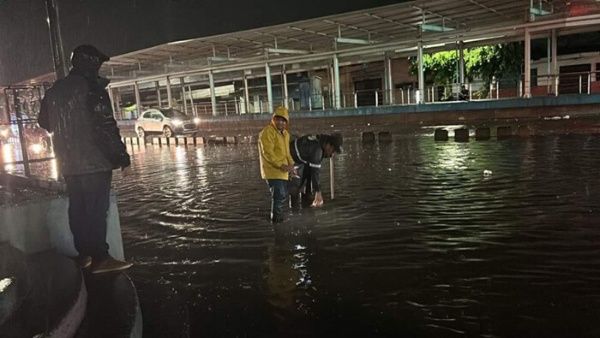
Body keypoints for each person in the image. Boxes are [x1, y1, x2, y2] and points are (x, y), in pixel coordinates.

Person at [39, 44, 133, 274]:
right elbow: (105, 127)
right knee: (96, 210)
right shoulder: (92, 88)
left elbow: (44, 122)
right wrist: (122, 157)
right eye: (97, 63)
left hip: (68, 162)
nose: (99, 68)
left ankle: (85, 256)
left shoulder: (55, 90)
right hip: (94, 162)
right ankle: (101, 258)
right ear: (89, 63)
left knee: (78, 209)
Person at [258, 106, 296, 223]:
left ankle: (278, 220)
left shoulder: (286, 134)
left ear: (286, 122)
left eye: (283, 120)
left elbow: (287, 153)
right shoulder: (267, 132)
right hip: (273, 171)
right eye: (278, 119)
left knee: (281, 197)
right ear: (273, 119)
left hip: (283, 172)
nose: (281, 122)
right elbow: (268, 153)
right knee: (279, 197)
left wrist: (292, 166)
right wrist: (282, 166)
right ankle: (276, 223)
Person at [289, 133, 343, 209]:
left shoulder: (318, 141)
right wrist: (318, 192)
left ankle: (306, 199)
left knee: (307, 174)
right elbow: (315, 173)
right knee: (296, 186)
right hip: (290, 159)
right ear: (328, 145)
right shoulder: (317, 150)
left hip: (299, 158)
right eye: (333, 150)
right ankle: (294, 210)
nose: (332, 154)